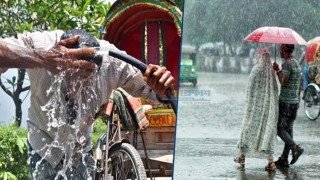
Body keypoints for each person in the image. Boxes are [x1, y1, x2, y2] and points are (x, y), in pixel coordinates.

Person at [1, 29, 175, 179]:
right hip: (43, 143)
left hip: (80, 148)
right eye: (69, 80)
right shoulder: (41, 45)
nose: (75, 91)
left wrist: (160, 83)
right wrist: (43, 58)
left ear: (97, 71)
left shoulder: (112, 62)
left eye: (84, 82)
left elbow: (153, 90)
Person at [234, 47, 279, 171]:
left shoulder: (256, 69)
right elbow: (275, 90)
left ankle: (242, 156)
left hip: (254, 108)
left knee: (248, 129)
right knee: (266, 133)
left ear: (260, 57)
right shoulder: (271, 72)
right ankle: (270, 161)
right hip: (267, 109)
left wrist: (250, 104)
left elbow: (250, 89)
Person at [272, 44, 304, 168]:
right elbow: (299, 84)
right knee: (289, 130)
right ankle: (284, 159)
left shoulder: (287, 64)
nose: (279, 50)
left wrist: (277, 70)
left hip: (286, 103)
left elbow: (283, 82)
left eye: (281, 48)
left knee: (278, 128)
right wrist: (298, 102)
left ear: (285, 50)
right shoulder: (296, 63)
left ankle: (295, 148)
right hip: (294, 103)